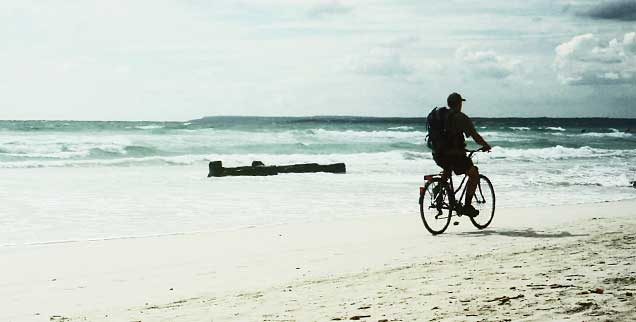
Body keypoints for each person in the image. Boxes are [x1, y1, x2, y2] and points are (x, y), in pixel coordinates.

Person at [433, 92, 491, 217]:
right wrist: (486, 145)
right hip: (454, 155)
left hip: (438, 154)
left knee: (447, 168)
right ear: (459, 104)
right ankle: (467, 206)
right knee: (474, 173)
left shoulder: (440, 116)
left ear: (449, 104)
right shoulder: (461, 117)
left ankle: (439, 190)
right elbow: (475, 136)